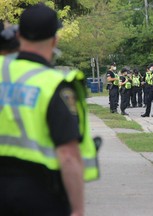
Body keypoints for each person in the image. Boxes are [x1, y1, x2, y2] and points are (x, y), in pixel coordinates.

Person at [0, 4, 98, 216]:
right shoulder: (54, 84)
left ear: (18, 35)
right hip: (38, 194)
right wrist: (78, 209)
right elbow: (68, 154)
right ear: (55, 40)